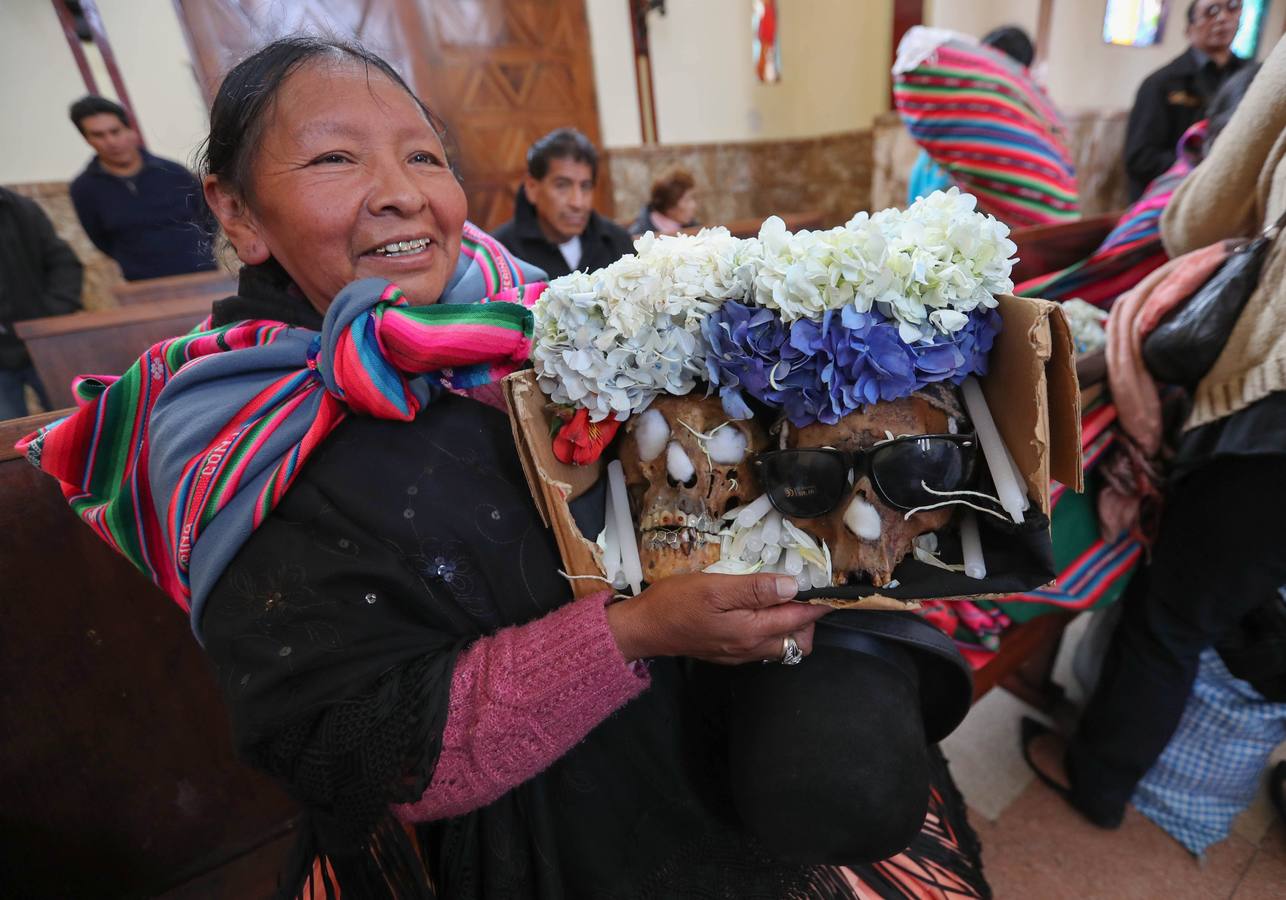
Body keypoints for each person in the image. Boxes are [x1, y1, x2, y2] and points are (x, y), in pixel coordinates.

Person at [19, 38, 980, 898]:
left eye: (423, 155)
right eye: (334, 158)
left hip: (695, 726)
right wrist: (635, 632)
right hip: (530, 836)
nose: (401, 191)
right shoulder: (240, 435)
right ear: (239, 211)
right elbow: (356, 753)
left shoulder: (531, 316)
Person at [1024, 36, 1286, 830]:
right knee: (1243, 580)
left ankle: (1099, 783)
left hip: (1274, 411)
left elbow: (1199, 215)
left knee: (1173, 614)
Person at [68, 95, 217, 280]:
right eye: (99, 135)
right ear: (87, 139)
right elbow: (100, 239)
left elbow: (209, 218)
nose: (111, 141)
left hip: (201, 276)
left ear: (130, 130)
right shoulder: (85, 188)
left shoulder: (173, 172)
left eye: (115, 131)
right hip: (142, 284)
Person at [1124, 0, 1248, 201]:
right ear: (1189, 28)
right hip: (1174, 201)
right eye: (1212, 11)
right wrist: (1202, 168)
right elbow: (1140, 158)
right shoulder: (1161, 84)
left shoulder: (1251, 77)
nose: (1223, 18)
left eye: (1232, 7)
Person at [492, 127, 633, 277]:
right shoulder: (501, 255)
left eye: (585, 186)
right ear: (532, 187)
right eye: (562, 185)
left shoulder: (616, 241)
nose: (577, 203)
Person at [0, 187, 83, 418]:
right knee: (7, 434)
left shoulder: (18, 208)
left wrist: (52, 314)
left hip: (39, 341)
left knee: (68, 419)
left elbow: (63, 262)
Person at [628, 165, 699, 237]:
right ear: (669, 205)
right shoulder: (639, 236)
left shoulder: (694, 229)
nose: (693, 205)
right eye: (687, 200)